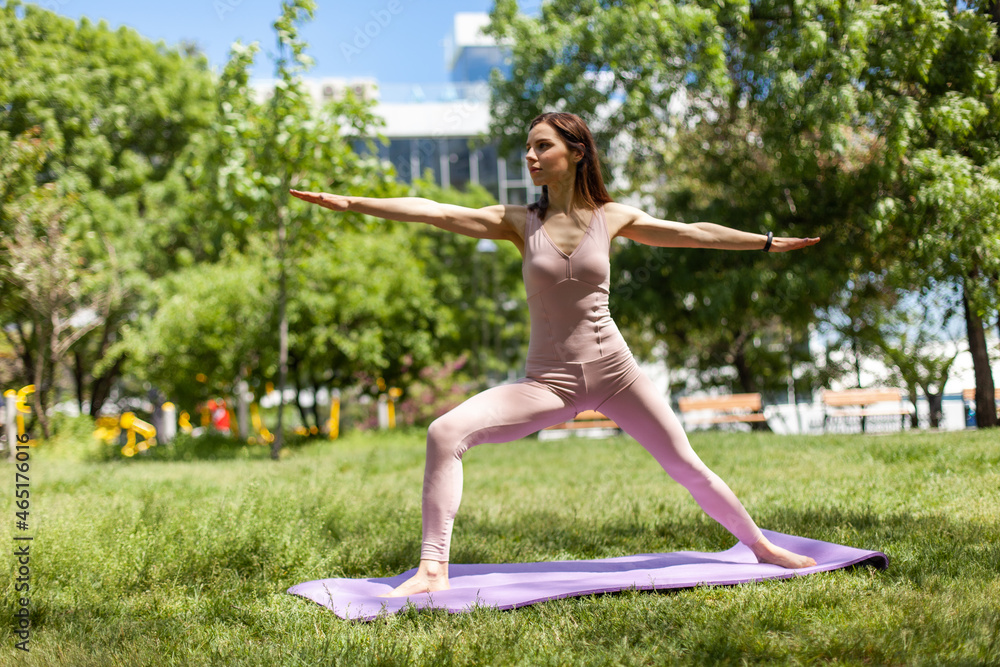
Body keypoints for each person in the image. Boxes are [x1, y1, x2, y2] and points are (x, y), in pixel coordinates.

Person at [290, 112, 821, 598]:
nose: (530, 156)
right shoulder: (519, 221)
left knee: (687, 465)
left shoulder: (611, 217)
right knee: (443, 433)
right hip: (547, 384)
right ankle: (432, 569)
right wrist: (352, 202)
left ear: (577, 151)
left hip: (616, 372)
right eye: (527, 147)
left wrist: (767, 242)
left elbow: (693, 233)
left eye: (541, 146)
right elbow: (434, 212)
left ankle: (763, 548)